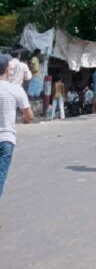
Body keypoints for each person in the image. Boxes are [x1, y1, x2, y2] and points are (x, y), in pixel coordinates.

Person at [0, 54, 33, 202]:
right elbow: (29, 115)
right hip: (6, 139)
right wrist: (24, 120)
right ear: (7, 69)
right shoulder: (16, 90)